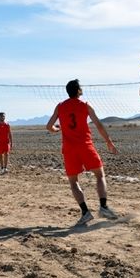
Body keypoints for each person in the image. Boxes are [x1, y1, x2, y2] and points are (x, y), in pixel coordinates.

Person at [46, 79, 119, 226]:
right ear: (78, 90)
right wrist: (109, 141)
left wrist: (56, 129)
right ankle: (103, 207)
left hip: (69, 149)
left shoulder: (60, 106)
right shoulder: (85, 105)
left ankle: (85, 212)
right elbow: (98, 124)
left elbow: (49, 126)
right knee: (99, 175)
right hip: (85, 146)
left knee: (74, 182)